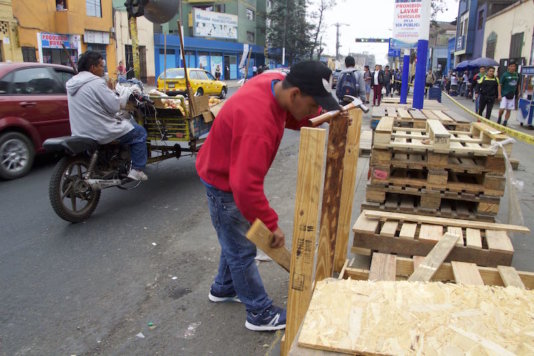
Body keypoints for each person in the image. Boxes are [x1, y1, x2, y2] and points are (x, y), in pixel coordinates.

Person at [196, 61, 341, 331]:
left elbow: (294, 115)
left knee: (233, 239)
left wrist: (320, 115)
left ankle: (224, 287)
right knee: (242, 252)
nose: (314, 110)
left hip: (222, 172)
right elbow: (245, 186)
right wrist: (270, 225)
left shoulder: (275, 83)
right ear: (295, 94)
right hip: (224, 183)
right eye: (312, 105)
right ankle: (259, 313)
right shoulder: (257, 124)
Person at [66, 51, 148, 181]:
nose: (103, 69)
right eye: (101, 66)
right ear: (92, 68)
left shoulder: (72, 83)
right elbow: (114, 106)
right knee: (139, 132)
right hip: (100, 131)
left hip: (79, 131)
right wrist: (113, 91)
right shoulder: (96, 83)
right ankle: (137, 170)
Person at [497, 62, 519, 126]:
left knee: (509, 110)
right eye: (511, 66)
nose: (512, 68)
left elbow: (518, 84)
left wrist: (519, 92)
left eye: (514, 66)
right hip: (504, 94)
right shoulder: (505, 75)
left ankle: (505, 121)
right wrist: (499, 94)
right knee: (502, 109)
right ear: (508, 67)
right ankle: (499, 117)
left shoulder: (516, 75)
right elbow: (500, 85)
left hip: (512, 95)